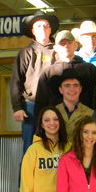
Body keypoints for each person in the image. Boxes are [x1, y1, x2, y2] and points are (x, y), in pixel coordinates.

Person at [10, 11, 59, 153]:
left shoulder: (58, 51)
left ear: (50, 29)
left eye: (46, 25)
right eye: (38, 26)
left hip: (54, 105)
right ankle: (26, 175)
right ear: (32, 31)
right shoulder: (25, 53)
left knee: (55, 144)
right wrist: (17, 107)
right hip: (30, 107)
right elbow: (15, 82)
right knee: (29, 147)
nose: (43, 28)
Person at [33, 30, 96, 124]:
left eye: (69, 43)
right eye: (62, 43)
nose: (66, 46)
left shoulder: (89, 70)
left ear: (75, 45)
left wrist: (95, 120)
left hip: (85, 124)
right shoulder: (48, 73)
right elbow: (40, 103)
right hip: (56, 125)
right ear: (55, 48)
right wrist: (40, 128)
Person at [54, 68, 96, 138]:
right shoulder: (52, 112)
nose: (72, 89)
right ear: (60, 89)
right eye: (67, 85)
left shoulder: (91, 114)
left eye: (76, 85)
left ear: (80, 89)